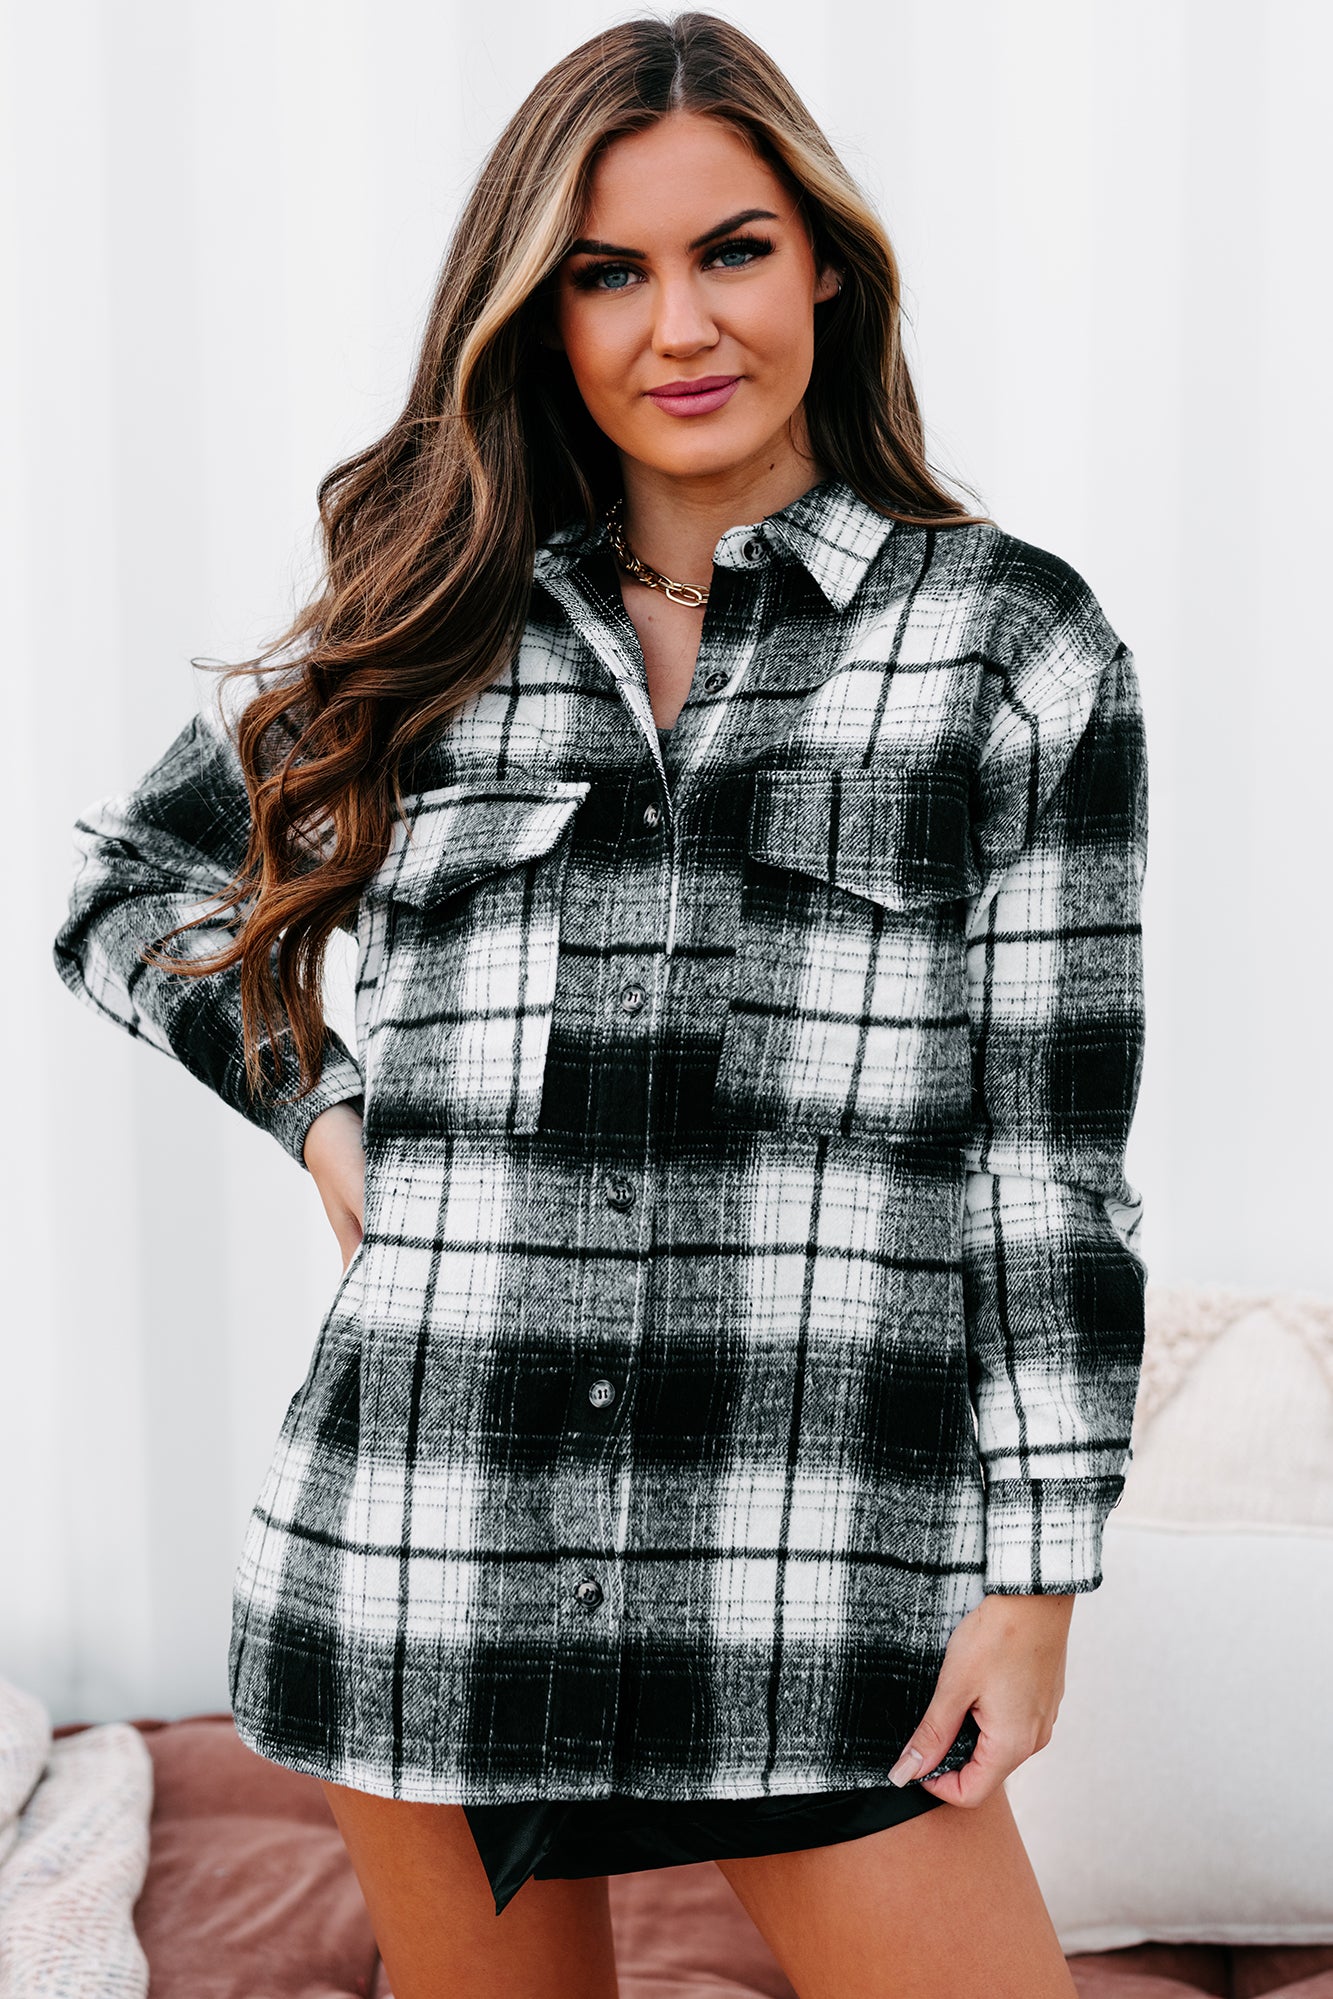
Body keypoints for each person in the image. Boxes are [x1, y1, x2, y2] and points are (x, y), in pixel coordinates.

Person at [52, 13, 1148, 1997]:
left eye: (731, 250)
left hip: (815, 1571)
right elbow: (136, 887)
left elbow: (1046, 1169)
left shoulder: (1009, 645)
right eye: (604, 272)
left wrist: (1040, 1576)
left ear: (826, 264)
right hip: (433, 1539)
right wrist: (321, 1114)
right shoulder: (429, 615)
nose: (679, 324)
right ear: (536, 309)